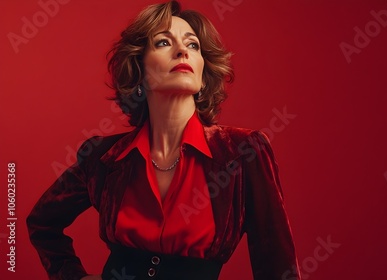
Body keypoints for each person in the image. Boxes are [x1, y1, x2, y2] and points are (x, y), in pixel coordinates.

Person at [26, 1, 301, 279]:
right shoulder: (102, 157)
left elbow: (278, 269)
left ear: (203, 74)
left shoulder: (243, 152)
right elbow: (42, 223)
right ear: (139, 70)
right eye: (162, 42)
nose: (182, 50)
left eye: (193, 45)